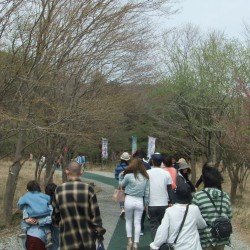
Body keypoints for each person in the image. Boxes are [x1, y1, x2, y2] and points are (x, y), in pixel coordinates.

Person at [52, 161, 106, 250]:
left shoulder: (59, 190)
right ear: (81, 172)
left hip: (67, 238)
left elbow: (55, 215)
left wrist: (57, 223)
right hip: (87, 238)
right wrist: (99, 231)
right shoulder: (88, 189)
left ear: (66, 171)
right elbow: (95, 216)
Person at [149, 184, 207, 250]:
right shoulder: (195, 209)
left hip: (176, 247)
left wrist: (155, 244)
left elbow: (163, 232)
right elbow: (202, 225)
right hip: (193, 246)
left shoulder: (169, 211)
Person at [192, 165, 232, 250]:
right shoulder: (225, 196)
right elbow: (230, 215)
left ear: (205, 181)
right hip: (222, 236)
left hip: (205, 238)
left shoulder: (198, 196)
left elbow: (193, 218)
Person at [119, 157, 149, 250]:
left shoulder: (128, 176)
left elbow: (121, 185)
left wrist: (121, 177)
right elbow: (147, 193)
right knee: (138, 223)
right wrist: (145, 204)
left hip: (129, 199)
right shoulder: (146, 177)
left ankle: (129, 241)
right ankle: (136, 243)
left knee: (128, 221)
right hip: (139, 201)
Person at [17, 180, 53, 248]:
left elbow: (20, 204)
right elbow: (49, 200)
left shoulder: (26, 196)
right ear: (39, 188)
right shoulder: (44, 196)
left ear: (28, 189)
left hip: (32, 217)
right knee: (47, 227)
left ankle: (23, 231)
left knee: (25, 223)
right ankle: (49, 239)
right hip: (44, 215)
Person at [147, 153, 173, 240]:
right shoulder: (166, 173)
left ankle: (154, 245)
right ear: (161, 162)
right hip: (164, 203)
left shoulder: (147, 173)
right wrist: (171, 201)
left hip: (151, 203)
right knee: (163, 225)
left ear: (152, 161)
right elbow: (169, 189)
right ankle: (163, 245)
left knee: (153, 225)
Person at [114, 151, 131, 217]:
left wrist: (119, 179)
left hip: (121, 183)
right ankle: (128, 209)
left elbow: (116, 176)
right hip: (129, 184)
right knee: (128, 196)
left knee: (121, 196)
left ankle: (122, 209)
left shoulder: (118, 166)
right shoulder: (130, 167)